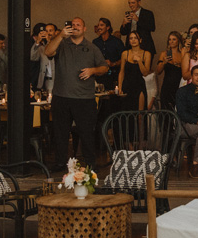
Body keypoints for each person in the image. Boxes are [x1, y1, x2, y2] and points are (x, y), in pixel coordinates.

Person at [43, 18, 108, 166]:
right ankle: (60, 164)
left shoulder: (92, 47)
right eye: (73, 25)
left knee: (87, 133)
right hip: (61, 97)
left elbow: (104, 67)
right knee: (60, 133)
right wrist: (60, 35)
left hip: (84, 98)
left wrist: (93, 70)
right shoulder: (62, 43)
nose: (75, 27)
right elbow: (48, 51)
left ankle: (90, 164)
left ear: (84, 29)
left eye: (78, 25)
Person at [116, 31, 151, 110]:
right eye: (131, 38)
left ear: (140, 40)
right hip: (127, 85)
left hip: (139, 85)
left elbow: (145, 73)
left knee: (140, 113)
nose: (133, 40)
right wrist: (120, 87)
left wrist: (139, 61)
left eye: (135, 38)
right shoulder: (125, 54)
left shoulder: (146, 54)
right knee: (126, 111)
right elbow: (122, 72)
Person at [153, 31, 186, 110]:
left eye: (174, 39)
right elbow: (158, 71)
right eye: (170, 39)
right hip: (167, 87)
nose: (171, 41)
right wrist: (164, 62)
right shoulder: (164, 54)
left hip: (179, 86)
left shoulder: (182, 53)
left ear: (178, 41)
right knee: (166, 111)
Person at [92, 18, 124, 91]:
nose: (99, 27)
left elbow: (124, 59)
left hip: (113, 76)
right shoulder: (95, 42)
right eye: (98, 25)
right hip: (99, 77)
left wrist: (113, 64)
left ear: (108, 27)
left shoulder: (117, 42)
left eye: (101, 25)